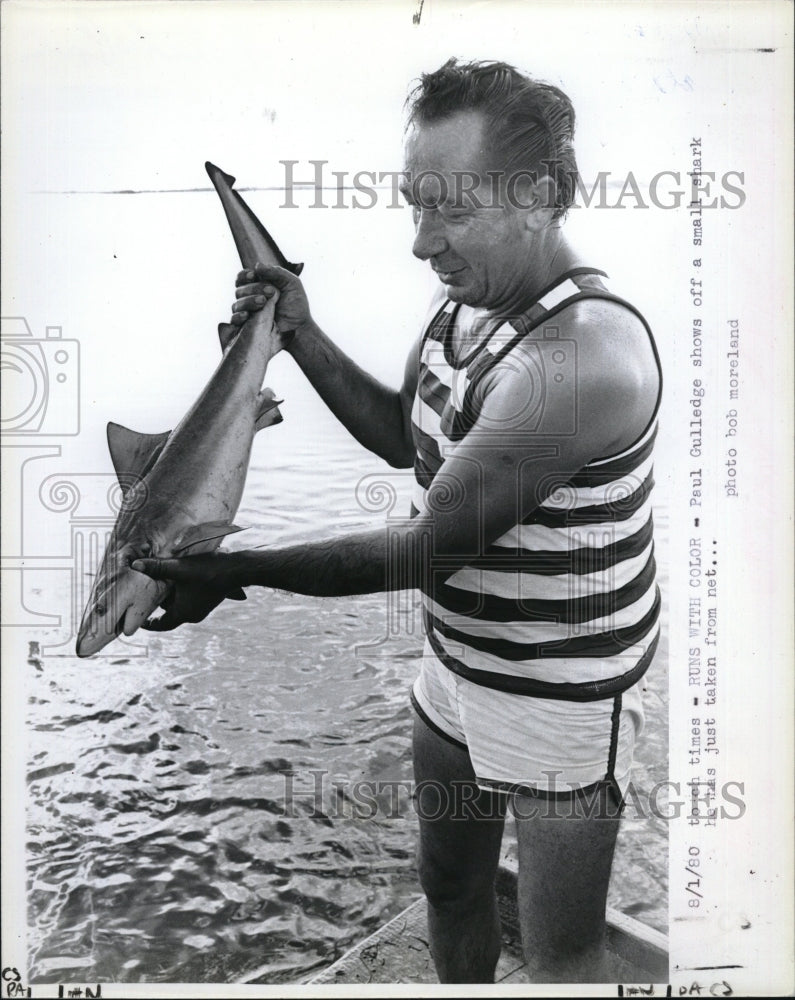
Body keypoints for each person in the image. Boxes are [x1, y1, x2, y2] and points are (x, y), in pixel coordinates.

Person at [133, 58, 662, 984]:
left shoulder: (577, 361)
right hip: (456, 661)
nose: (422, 244)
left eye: (450, 211)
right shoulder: (467, 304)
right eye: (414, 206)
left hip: (560, 694)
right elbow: (398, 438)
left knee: (561, 955)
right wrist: (297, 330)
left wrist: (230, 569)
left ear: (538, 197)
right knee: (450, 890)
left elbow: (427, 548)